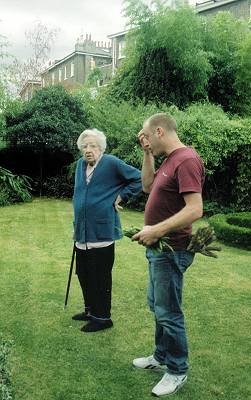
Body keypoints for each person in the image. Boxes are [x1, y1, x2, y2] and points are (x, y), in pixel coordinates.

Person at [132, 113, 205, 397]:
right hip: (159, 250)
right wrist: (146, 153)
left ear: (159, 131)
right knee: (157, 306)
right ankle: (161, 356)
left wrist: (157, 231)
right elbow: (147, 186)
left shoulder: (186, 160)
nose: (145, 140)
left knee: (168, 312)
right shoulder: (168, 160)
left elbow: (195, 209)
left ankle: (177, 370)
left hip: (172, 249)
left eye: (147, 137)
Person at [72, 128, 142, 333]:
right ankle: (90, 311)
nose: (88, 150)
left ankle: (102, 318)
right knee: (83, 273)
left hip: (101, 232)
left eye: (92, 146)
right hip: (82, 231)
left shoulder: (111, 163)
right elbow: (80, 196)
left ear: (101, 148)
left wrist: (122, 197)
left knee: (99, 276)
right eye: (84, 146)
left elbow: (138, 178)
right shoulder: (80, 166)